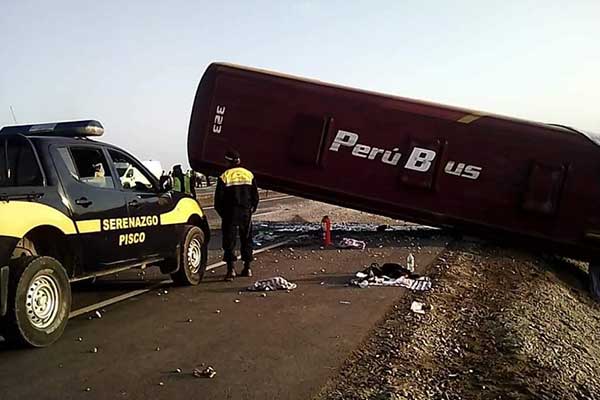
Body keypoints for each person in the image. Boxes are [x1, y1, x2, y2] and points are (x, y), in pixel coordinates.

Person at [214, 150, 259, 281]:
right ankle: (247, 268)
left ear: (227, 161)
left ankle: (231, 270)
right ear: (239, 161)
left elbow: (218, 200)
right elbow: (255, 196)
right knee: (247, 239)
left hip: (230, 213)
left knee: (229, 241)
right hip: (245, 212)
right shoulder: (248, 174)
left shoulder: (225, 176)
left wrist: (223, 214)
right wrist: (251, 209)